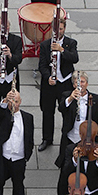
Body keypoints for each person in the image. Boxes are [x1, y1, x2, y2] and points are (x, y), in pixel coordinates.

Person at [0, 86, 35, 195]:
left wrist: (27, 155)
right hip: (3, 157)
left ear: (20, 102)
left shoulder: (28, 117)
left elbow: (29, 138)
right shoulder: (3, 115)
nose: (13, 104)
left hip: (19, 159)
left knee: (19, 186)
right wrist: (4, 101)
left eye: (16, 101)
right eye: (11, 101)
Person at [36, 13, 79, 151]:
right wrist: (48, 76)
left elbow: (74, 58)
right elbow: (42, 65)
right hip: (50, 84)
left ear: (64, 28)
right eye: (56, 29)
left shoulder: (71, 43)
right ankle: (47, 139)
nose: (58, 31)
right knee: (47, 112)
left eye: (60, 29)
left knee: (67, 111)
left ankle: (67, 138)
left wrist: (61, 50)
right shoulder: (45, 45)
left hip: (65, 82)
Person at [55, 73, 98, 175]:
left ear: (87, 83)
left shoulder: (96, 99)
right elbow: (61, 108)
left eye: (82, 82)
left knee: (87, 167)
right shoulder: (67, 95)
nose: (80, 85)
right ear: (74, 85)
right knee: (67, 166)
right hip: (71, 137)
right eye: (77, 82)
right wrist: (70, 98)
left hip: (88, 139)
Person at [0, 16, 24, 140]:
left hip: (10, 79)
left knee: (11, 106)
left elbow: (18, 59)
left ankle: (9, 132)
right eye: (1, 26)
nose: (3, 29)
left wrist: (10, 55)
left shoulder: (16, 40)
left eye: (6, 26)